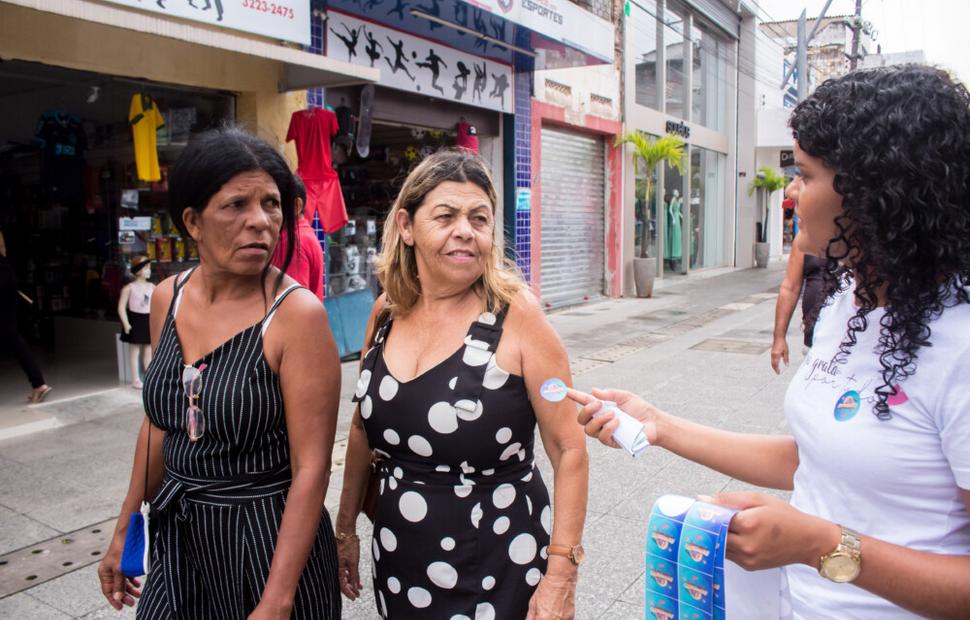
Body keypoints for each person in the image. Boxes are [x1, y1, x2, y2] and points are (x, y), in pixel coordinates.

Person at [572, 65, 970, 618]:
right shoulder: (850, 305)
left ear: (873, 194)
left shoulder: (961, 347)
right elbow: (817, 460)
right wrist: (658, 425)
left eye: (805, 176)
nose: (789, 191)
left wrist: (819, 545)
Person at [97, 127, 343, 619]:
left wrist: (277, 601)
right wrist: (127, 521)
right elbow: (160, 423)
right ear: (193, 221)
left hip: (268, 542)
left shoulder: (297, 316)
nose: (261, 222)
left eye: (271, 204)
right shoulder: (168, 296)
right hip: (182, 537)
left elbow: (311, 470)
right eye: (236, 205)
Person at [335, 149, 589, 619]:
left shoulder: (520, 318)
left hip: (498, 564)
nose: (465, 231)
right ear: (407, 228)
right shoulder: (386, 314)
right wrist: (345, 528)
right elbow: (361, 431)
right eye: (446, 216)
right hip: (401, 563)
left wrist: (561, 574)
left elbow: (569, 449)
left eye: (479, 218)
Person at [770, 178, 826, 374]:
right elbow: (790, 287)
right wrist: (779, 336)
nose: (790, 189)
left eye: (805, 176)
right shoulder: (804, 238)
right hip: (813, 341)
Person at [0, 228, 52, 403]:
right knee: (13, 337)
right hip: (7, 279)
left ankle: (39, 384)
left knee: (12, 337)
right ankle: (38, 383)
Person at [271, 174, 325, 301]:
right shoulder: (303, 235)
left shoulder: (292, 241)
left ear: (296, 206)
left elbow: (292, 300)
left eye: (274, 203)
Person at [117, 255, 155, 388]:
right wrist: (126, 324)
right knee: (134, 352)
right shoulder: (129, 288)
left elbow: (156, 306)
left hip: (148, 320)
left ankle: (149, 377)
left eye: (149, 268)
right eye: (146, 268)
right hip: (134, 320)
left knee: (149, 352)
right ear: (138, 270)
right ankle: (135, 379)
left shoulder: (152, 287)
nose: (149, 271)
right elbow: (121, 307)